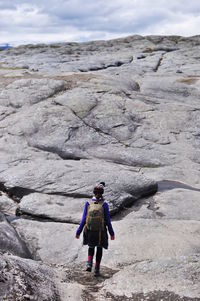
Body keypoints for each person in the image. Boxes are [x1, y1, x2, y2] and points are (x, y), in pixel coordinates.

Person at [76, 182, 115, 276]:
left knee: (91, 246)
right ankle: (96, 269)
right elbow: (108, 221)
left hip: (90, 231)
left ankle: (89, 263)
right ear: (102, 193)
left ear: (93, 192)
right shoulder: (104, 204)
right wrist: (111, 233)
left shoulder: (88, 203)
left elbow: (84, 219)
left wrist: (78, 231)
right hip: (100, 232)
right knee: (99, 249)